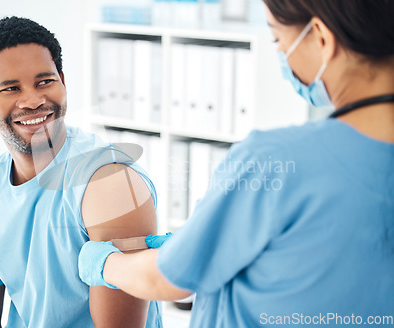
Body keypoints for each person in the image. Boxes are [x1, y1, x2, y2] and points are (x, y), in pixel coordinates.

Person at [78, 0, 394, 327]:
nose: (282, 56)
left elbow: (168, 280)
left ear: (320, 37)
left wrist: (104, 263)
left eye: (278, 41)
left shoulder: (274, 161)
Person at [0, 16, 163, 327]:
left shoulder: (111, 183)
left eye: (45, 81)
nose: (33, 100)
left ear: (63, 81)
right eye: (11, 88)